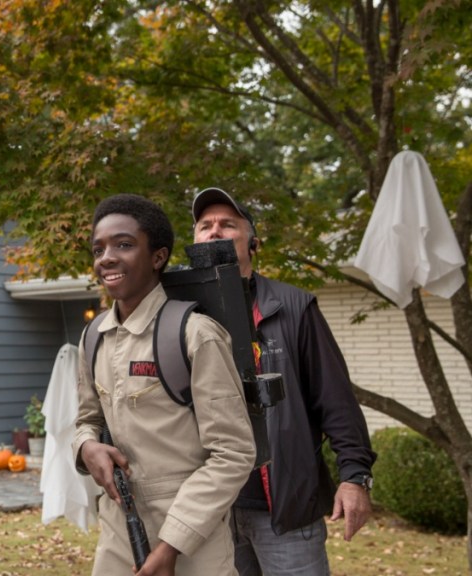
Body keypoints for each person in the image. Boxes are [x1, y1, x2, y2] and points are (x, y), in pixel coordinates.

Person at [192, 187, 376, 575]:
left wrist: (355, 476)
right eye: (204, 226)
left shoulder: (293, 307)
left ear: (253, 242)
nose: (214, 232)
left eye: (228, 224)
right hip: (212, 511)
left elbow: (335, 398)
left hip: (285, 510)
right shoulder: (180, 315)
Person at [75, 194, 256, 575]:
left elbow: (234, 453)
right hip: (117, 533)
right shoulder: (93, 337)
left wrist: (171, 545)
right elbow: (86, 420)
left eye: (123, 245)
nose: (106, 257)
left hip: (192, 540)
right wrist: (87, 447)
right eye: (98, 248)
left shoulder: (195, 335)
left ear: (158, 257)